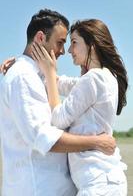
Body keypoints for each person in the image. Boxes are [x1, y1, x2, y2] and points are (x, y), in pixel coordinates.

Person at [0, 10, 116, 196]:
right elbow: (43, 138)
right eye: (60, 42)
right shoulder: (23, 77)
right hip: (38, 188)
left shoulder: (36, 76)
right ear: (40, 38)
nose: (64, 50)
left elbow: (63, 84)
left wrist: (44, 70)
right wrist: (96, 142)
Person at [31, 19, 128, 195]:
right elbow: (60, 83)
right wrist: (25, 64)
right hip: (104, 181)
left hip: (98, 184)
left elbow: (58, 119)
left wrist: (50, 73)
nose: (69, 50)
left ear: (92, 44)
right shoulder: (105, 77)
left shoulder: (94, 79)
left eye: (74, 42)